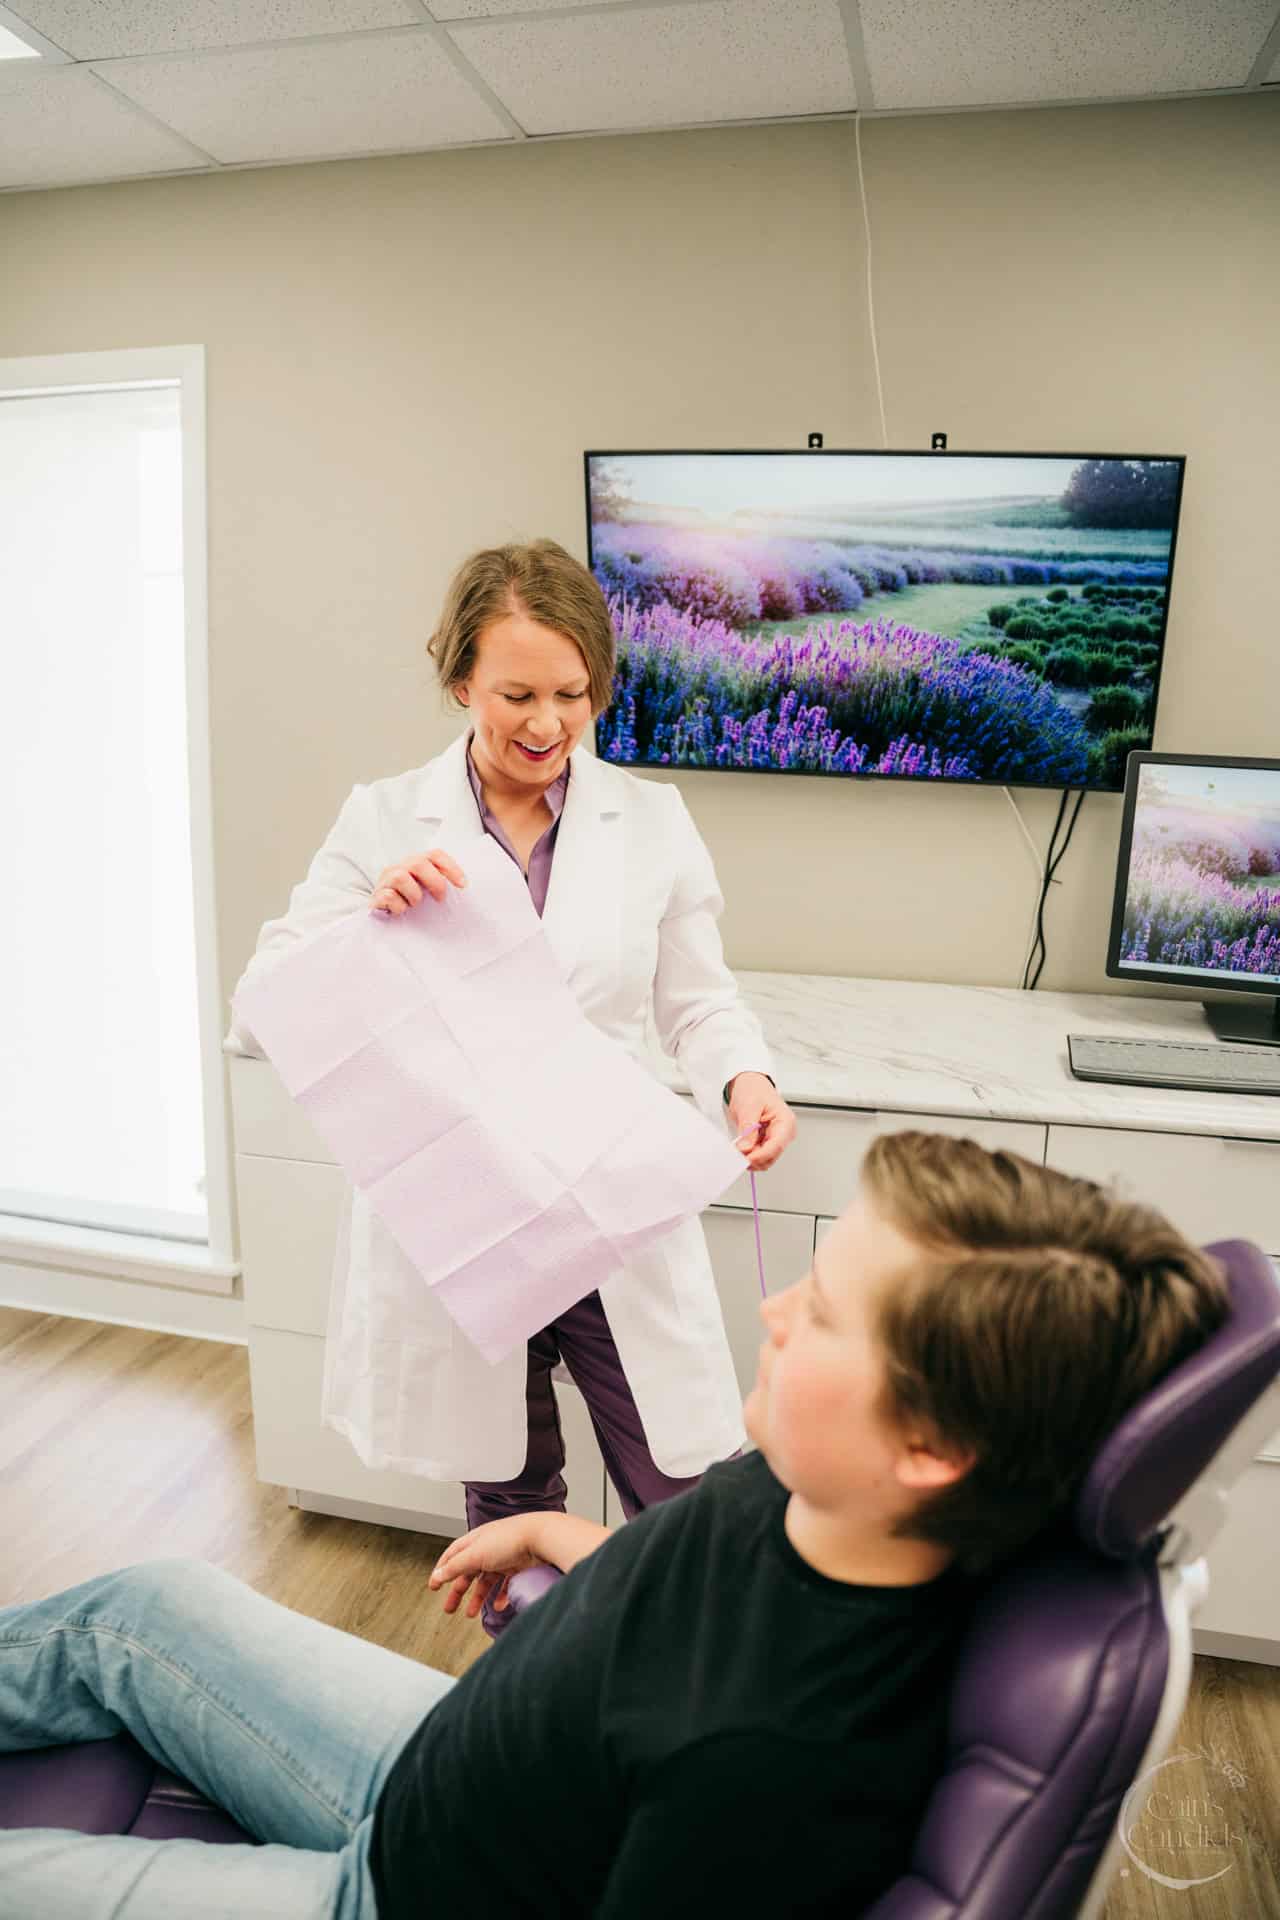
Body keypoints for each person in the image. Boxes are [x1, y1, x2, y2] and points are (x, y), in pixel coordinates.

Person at [0, 1132, 1229, 1917]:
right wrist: (560, 1541)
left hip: (398, 1895)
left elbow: (713, 1707)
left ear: (930, 1446)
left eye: (832, 1309)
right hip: (436, 1766)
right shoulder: (830, 1499)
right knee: (142, 1608)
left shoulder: (766, 1770)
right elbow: (704, 1597)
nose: (780, 1305)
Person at [226, 538, 798, 1635]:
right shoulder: (385, 822)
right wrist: (366, 920)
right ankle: (538, 1721)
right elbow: (259, 1011)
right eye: (516, 694)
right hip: (469, 1216)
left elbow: (697, 1002)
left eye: (572, 694)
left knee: (683, 1488)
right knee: (508, 1508)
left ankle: (686, 1714)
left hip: (608, 1197)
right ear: (459, 684)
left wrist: (742, 1076)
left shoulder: (652, 822)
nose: (546, 723)